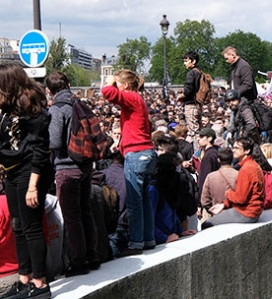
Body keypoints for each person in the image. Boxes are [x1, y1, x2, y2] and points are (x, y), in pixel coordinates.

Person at [0, 62, 53, 298]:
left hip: (30, 173)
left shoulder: (33, 111)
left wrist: (33, 186)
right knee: (18, 226)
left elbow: (40, 151)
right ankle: (25, 278)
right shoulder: (7, 111)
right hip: (12, 171)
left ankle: (40, 283)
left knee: (31, 228)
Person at [45, 71, 99, 277]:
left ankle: (78, 261)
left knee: (71, 216)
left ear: (50, 91)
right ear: (68, 84)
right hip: (86, 165)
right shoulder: (80, 105)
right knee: (85, 210)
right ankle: (92, 256)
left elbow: (55, 142)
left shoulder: (58, 109)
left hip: (67, 168)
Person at [102, 70, 157, 257]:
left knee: (134, 203)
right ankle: (148, 239)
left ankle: (135, 243)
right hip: (147, 153)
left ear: (125, 86)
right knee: (144, 201)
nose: (115, 87)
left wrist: (109, 81)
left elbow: (108, 94)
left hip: (137, 154)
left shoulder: (131, 97)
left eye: (118, 84)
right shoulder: (138, 100)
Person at [201, 138, 264, 229]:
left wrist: (228, 193)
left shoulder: (246, 169)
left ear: (247, 150)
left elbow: (241, 198)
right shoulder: (253, 165)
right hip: (252, 211)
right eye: (233, 147)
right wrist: (224, 204)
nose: (233, 150)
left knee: (207, 225)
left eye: (237, 148)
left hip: (247, 213)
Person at [149, 152, 196, 244]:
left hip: (171, 236)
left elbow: (172, 210)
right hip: (160, 241)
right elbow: (148, 220)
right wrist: (163, 238)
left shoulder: (169, 185)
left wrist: (180, 231)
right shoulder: (153, 190)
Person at [176, 51, 202, 146]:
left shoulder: (191, 73)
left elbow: (188, 91)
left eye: (186, 61)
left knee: (194, 133)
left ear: (193, 61)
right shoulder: (200, 72)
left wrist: (180, 97)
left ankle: (197, 156)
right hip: (198, 104)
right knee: (199, 130)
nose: (184, 63)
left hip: (191, 105)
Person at [200, 148, 238, 213]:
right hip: (236, 214)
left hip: (217, 215)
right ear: (232, 160)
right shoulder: (239, 175)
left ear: (219, 160)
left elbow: (205, 201)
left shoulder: (211, 177)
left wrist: (212, 211)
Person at [196, 128, 220, 202]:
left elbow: (204, 179)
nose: (198, 139)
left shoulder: (208, 156)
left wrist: (200, 202)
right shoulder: (215, 152)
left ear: (209, 138)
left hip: (208, 198)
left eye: (201, 137)